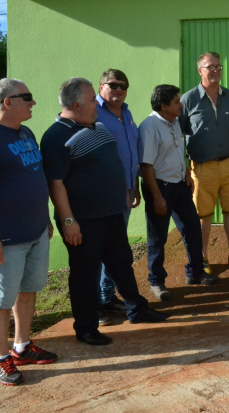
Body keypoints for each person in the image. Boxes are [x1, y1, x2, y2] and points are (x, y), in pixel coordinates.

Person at [42, 77, 170, 347]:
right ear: (76, 104)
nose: (95, 105)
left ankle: (137, 309)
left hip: (111, 214)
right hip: (84, 221)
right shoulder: (56, 136)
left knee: (121, 265)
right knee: (85, 275)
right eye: (91, 100)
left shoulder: (97, 125)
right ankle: (86, 327)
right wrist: (68, 221)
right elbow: (56, 184)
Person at [0, 79, 57, 385]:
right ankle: (2, 357)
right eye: (26, 98)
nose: (32, 103)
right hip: (5, 238)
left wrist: (45, 219)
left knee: (28, 290)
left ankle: (22, 345)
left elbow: (33, 178)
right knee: (1, 298)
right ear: (7, 102)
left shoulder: (25, 133)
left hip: (35, 232)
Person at [139, 85, 219, 301]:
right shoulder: (149, 127)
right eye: (176, 102)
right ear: (164, 106)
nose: (180, 104)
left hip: (179, 186)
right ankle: (157, 282)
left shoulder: (174, 122)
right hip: (160, 188)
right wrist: (156, 197)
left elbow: (177, 151)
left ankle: (195, 272)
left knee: (192, 228)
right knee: (158, 237)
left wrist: (186, 173)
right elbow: (146, 166)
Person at [179, 52, 229, 273]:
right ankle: (203, 257)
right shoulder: (187, 100)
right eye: (210, 67)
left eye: (219, 66)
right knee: (203, 215)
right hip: (201, 167)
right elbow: (177, 135)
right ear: (200, 70)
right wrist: (185, 169)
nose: (216, 70)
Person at [94, 69, 140, 324]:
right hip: (105, 194)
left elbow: (131, 151)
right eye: (113, 85)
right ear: (101, 87)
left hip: (126, 191)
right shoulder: (94, 114)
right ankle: (97, 303)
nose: (119, 89)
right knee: (102, 247)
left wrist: (135, 186)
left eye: (124, 85)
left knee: (116, 247)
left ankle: (107, 295)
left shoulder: (127, 113)